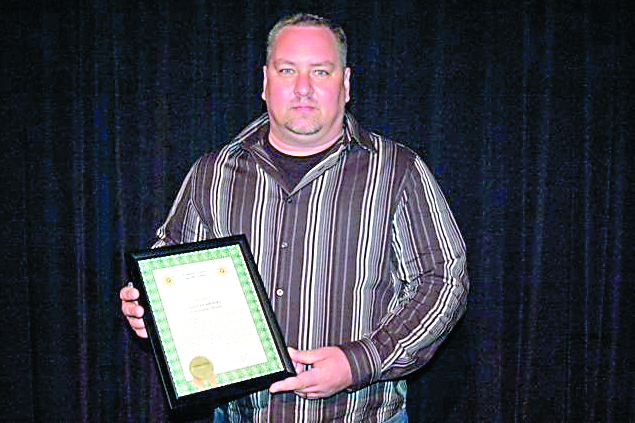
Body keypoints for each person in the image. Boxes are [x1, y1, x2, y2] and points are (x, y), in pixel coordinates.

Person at [121, 13, 469, 422]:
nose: (303, 88)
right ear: (265, 82)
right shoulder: (213, 173)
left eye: (320, 71)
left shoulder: (397, 171)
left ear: (346, 83)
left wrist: (358, 362)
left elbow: (444, 281)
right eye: (288, 70)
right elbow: (171, 262)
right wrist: (150, 306)